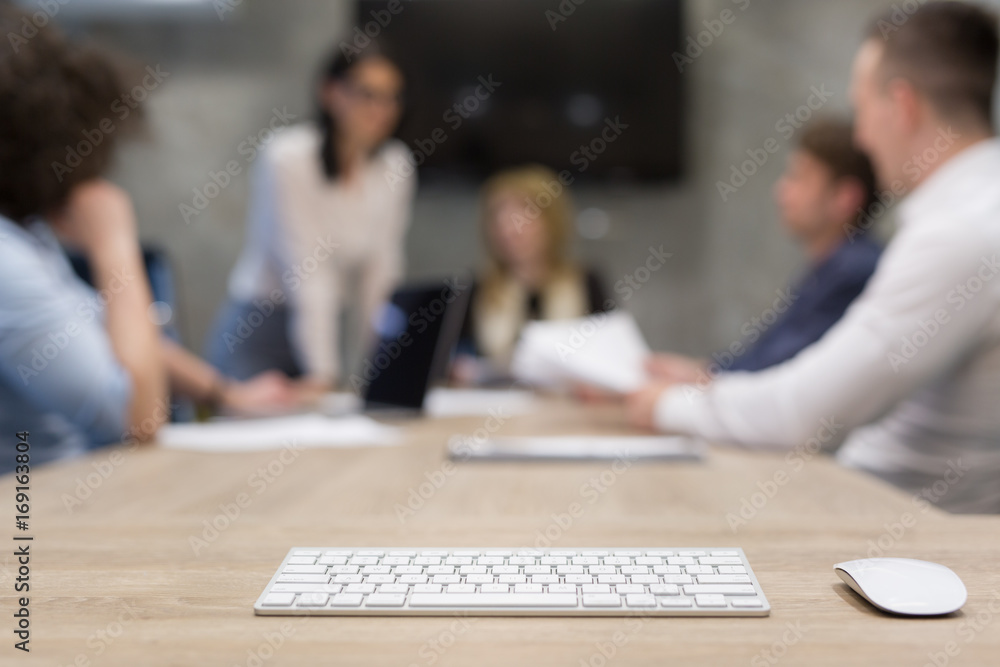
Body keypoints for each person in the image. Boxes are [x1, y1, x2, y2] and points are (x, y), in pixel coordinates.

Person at [628, 1, 1000, 514]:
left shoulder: (960, 232)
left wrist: (669, 405)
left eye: (863, 109)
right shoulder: (973, 210)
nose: (864, 138)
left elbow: (805, 413)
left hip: (895, 524)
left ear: (903, 105)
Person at [0, 9, 298, 472]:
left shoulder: (26, 234)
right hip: (34, 524)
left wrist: (225, 394)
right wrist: (114, 242)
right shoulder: (7, 259)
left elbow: (96, 328)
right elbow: (138, 419)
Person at [207, 41, 415, 395]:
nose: (381, 110)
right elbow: (307, 272)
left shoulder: (395, 164)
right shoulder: (287, 157)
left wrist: (383, 370)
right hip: (262, 331)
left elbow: (381, 276)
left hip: (323, 324)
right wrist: (324, 376)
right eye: (368, 94)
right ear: (331, 92)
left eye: (391, 97)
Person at [647, 117, 882, 385]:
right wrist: (701, 372)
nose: (781, 191)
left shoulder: (853, 271)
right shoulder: (832, 267)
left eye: (799, 178)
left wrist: (701, 380)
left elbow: (780, 371)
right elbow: (763, 356)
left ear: (844, 198)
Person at [452, 165, 608, 384]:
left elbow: (611, 357)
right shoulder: (475, 289)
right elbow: (454, 361)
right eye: (498, 215)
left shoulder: (586, 281)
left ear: (552, 221)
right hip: (491, 409)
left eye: (523, 212)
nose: (507, 227)